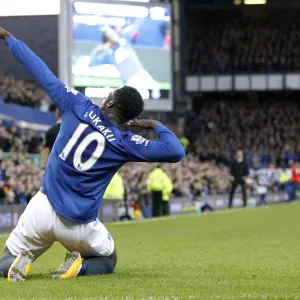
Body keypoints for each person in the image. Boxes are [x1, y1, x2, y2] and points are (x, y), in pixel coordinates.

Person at [0, 27, 185, 282]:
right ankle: (80, 268)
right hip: (79, 226)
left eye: (109, 95)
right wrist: (155, 125)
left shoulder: (76, 104)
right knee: (109, 259)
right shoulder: (125, 142)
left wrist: (10, 39)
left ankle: (16, 263)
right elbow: (176, 151)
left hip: (42, 208)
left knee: (6, 257)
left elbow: (40, 71)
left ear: (109, 102)